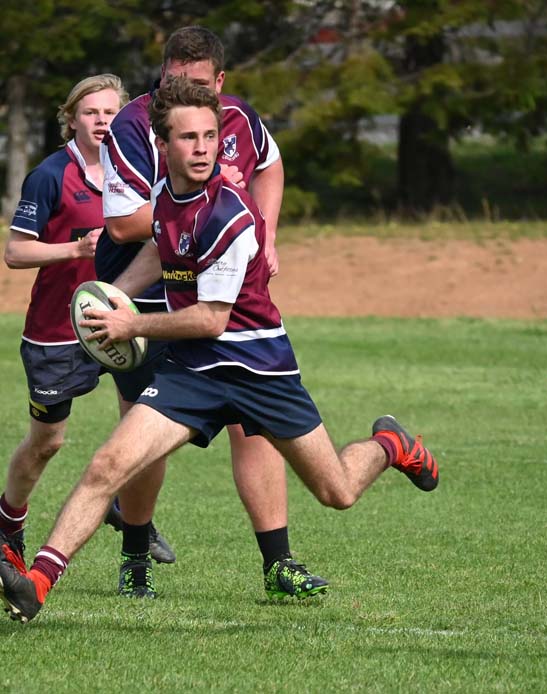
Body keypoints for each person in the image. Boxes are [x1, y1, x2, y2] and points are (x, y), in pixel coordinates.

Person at [0, 77, 439, 623]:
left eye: (210, 136)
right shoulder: (166, 196)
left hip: (258, 368)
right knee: (108, 463)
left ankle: (391, 444)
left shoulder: (229, 214)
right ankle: (37, 584)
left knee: (338, 491)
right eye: (189, 138)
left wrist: (130, 323)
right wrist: (117, 294)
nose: (203, 148)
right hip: (194, 371)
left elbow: (211, 319)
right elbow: (161, 250)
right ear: (163, 146)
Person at [98, 26, 309, 599]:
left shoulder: (238, 118)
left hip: (220, 301)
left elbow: (270, 165)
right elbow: (122, 225)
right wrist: (210, 195)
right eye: (173, 81)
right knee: (145, 437)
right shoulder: (133, 126)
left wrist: (264, 233)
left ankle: (279, 563)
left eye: (196, 83)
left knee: (252, 424)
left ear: (219, 83)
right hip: (146, 298)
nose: (182, 93)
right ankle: (135, 556)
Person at [0, 74, 128, 562]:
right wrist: (76, 249)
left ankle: (125, 506)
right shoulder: (50, 175)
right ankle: (8, 522)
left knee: (150, 418)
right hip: (56, 332)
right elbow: (15, 252)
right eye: (91, 112)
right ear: (71, 119)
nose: (102, 121)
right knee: (47, 443)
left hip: (121, 323)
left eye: (111, 112)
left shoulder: (134, 171)